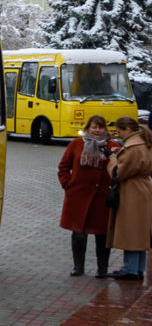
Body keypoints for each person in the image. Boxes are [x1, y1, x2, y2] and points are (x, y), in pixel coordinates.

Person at [58, 115, 115, 278]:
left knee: (102, 235)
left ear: (105, 129)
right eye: (94, 127)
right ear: (88, 128)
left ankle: (102, 269)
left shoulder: (112, 146)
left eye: (100, 127)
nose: (97, 131)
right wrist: (68, 185)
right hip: (78, 197)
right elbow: (63, 167)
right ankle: (78, 267)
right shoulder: (76, 144)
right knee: (78, 234)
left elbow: (118, 171)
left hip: (102, 199)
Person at [106, 116, 152, 281]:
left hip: (132, 191)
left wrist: (112, 161)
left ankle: (130, 268)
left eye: (119, 131)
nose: (119, 135)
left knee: (131, 229)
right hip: (143, 188)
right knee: (140, 231)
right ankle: (138, 268)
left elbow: (118, 173)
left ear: (128, 130)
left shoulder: (133, 147)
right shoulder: (144, 142)